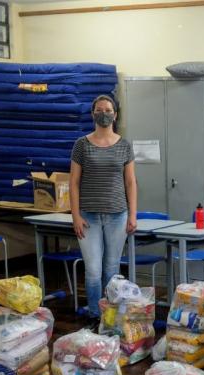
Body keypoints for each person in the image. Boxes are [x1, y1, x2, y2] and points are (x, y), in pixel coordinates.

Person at [69, 94, 138, 324]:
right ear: (92, 114)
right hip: (88, 217)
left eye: (108, 110)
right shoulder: (81, 145)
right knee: (93, 270)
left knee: (111, 269)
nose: (104, 114)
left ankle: (111, 318)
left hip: (118, 215)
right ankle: (94, 315)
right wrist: (75, 216)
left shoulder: (124, 145)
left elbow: (130, 182)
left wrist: (133, 215)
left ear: (115, 114)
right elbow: (74, 183)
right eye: (99, 110)